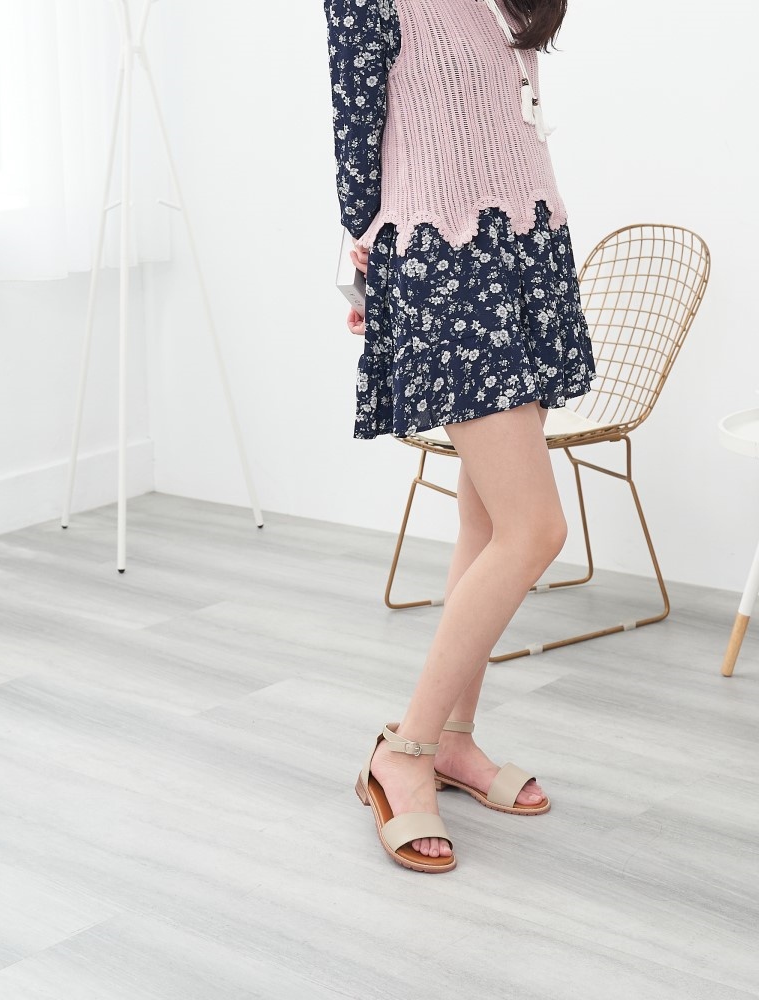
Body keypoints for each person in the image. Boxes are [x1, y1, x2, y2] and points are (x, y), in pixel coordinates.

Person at [325, 0, 596, 873]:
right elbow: (356, 145)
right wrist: (372, 269)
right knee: (535, 529)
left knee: (487, 524)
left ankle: (452, 739)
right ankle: (402, 751)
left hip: (526, 250)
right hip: (443, 268)